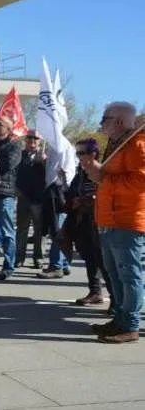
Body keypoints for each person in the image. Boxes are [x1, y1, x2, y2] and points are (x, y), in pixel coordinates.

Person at [82, 101, 145, 344]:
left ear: (119, 122)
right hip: (109, 217)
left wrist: (103, 177)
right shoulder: (117, 144)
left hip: (127, 219)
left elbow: (140, 183)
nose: (101, 123)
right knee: (115, 274)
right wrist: (98, 174)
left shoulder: (137, 145)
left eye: (105, 119)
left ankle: (130, 325)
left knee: (129, 275)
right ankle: (119, 319)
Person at [61, 138, 112, 307]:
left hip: (99, 221)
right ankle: (95, 291)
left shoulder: (102, 171)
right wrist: (72, 200)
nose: (79, 157)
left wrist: (88, 200)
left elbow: (108, 194)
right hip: (82, 220)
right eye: (77, 153)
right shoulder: (80, 173)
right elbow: (70, 194)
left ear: (94, 154)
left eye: (82, 153)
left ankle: (116, 300)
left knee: (103, 261)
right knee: (89, 257)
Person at [0, 117, 22, 280]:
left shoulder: (14, 145)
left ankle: (9, 266)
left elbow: (5, 166)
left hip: (4, 193)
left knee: (7, 232)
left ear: (8, 129)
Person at [15, 130, 46, 269]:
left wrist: (44, 161)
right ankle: (19, 257)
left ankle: (38, 258)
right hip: (23, 197)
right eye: (29, 139)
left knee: (39, 230)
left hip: (39, 198)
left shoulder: (45, 156)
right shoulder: (20, 155)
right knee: (22, 229)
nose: (32, 142)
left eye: (35, 139)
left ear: (40, 141)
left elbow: (51, 175)